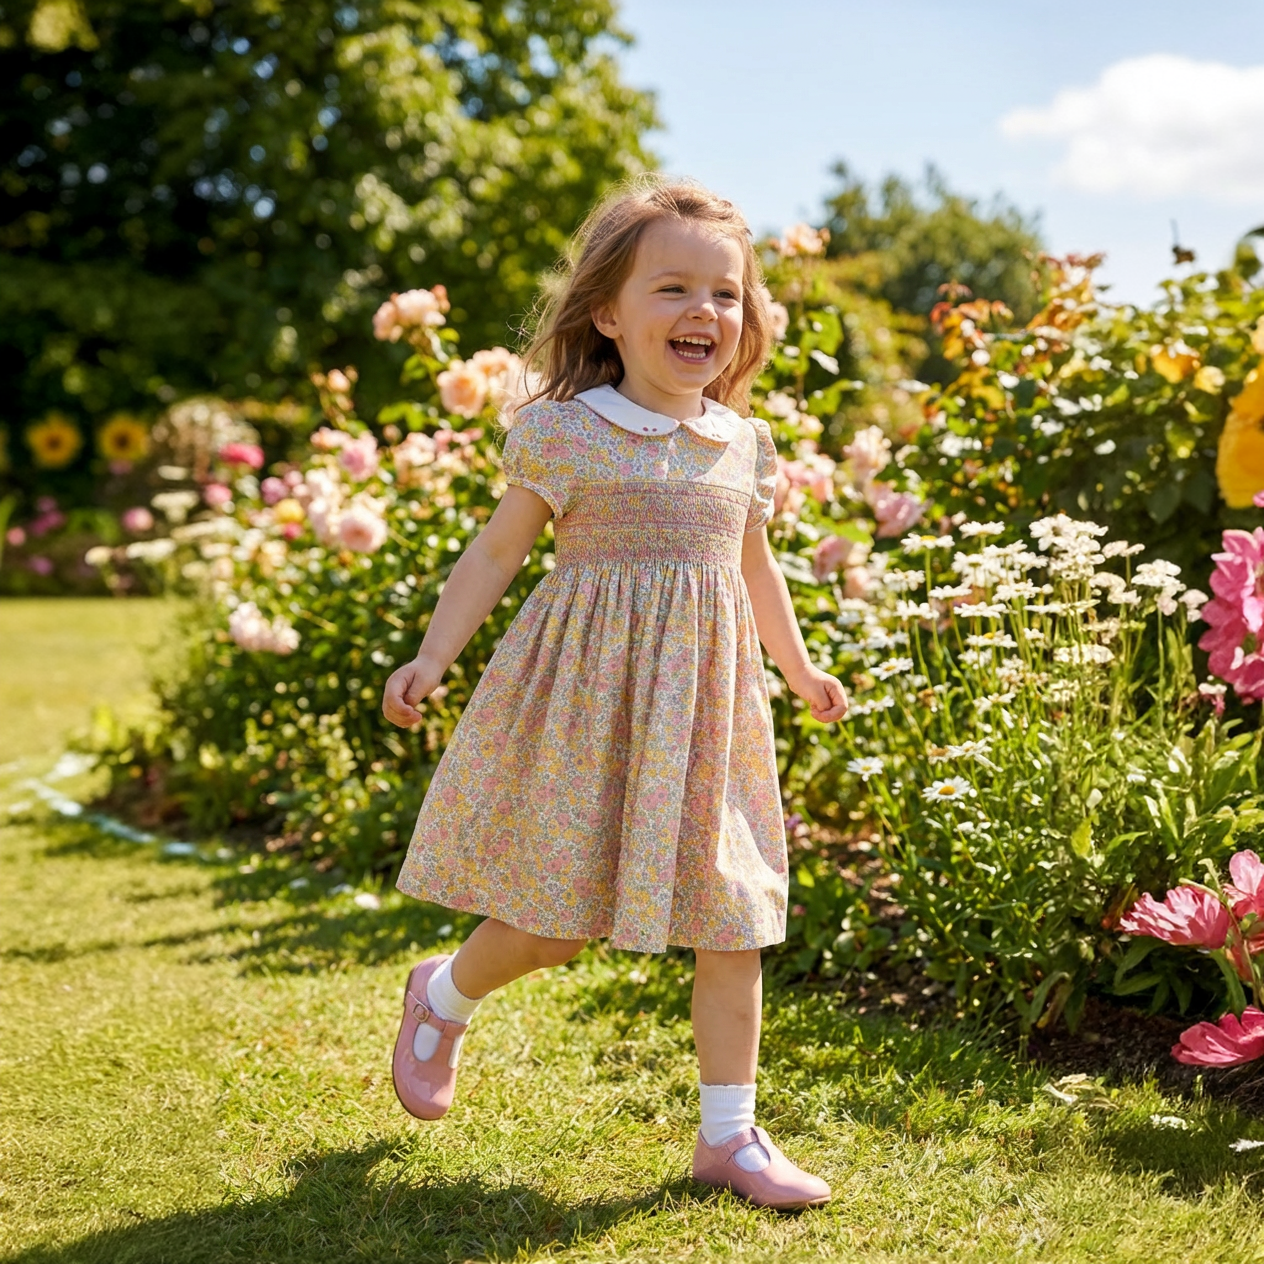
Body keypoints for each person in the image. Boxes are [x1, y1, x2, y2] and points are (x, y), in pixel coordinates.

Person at [381, 176, 848, 1209]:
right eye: (672, 288)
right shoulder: (568, 431)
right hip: (587, 706)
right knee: (553, 924)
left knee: (734, 915)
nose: (703, 311)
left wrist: (798, 665)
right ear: (607, 313)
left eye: (725, 293)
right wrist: (432, 656)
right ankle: (443, 994)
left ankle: (729, 1137)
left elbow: (756, 568)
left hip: (710, 715)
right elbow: (495, 552)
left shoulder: (742, 444)